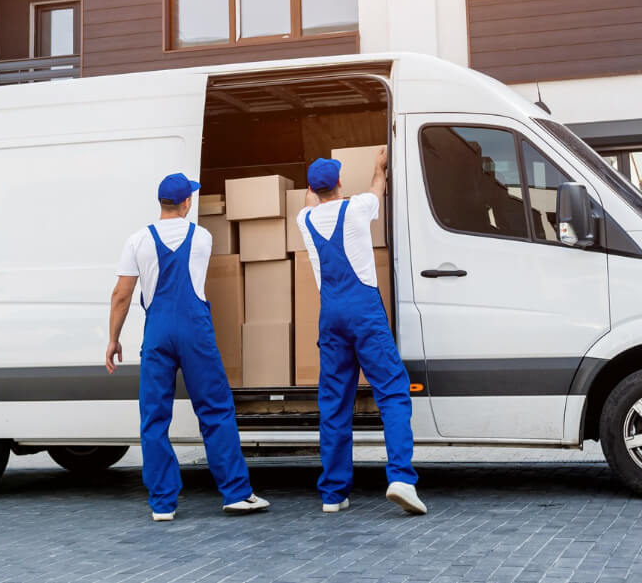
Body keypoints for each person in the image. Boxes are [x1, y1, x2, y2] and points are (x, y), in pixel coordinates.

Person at [106, 172, 270, 521]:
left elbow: (121, 295)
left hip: (158, 333)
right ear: (187, 202)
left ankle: (163, 504)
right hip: (195, 331)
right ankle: (237, 494)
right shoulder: (202, 237)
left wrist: (113, 338)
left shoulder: (137, 241)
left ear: (160, 203)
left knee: (154, 417)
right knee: (214, 410)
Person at [294, 149, 425, 515]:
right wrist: (378, 167)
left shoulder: (304, 220)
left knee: (334, 404)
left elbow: (311, 199)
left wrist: (316, 190)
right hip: (364, 313)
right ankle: (401, 478)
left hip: (331, 316)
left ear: (312, 189)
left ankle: (334, 494)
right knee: (393, 393)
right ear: (339, 184)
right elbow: (377, 187)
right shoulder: (356, 208)